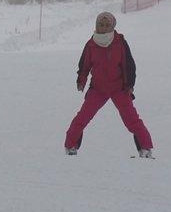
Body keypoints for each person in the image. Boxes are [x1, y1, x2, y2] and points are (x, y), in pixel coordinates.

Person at [65, 12, 154, 158]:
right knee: (82, 118)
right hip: (98, 89)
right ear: (96, 25)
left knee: (132, 120)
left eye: (107, 25)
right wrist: (81, 80)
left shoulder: (120, 42)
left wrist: (130, 84)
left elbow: (129, 65)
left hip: (119, 89)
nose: (103, 28)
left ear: (112, 26)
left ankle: (145, 149)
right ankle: (70, 146)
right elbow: (84, 64)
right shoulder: (91, 44)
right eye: (101, 24)